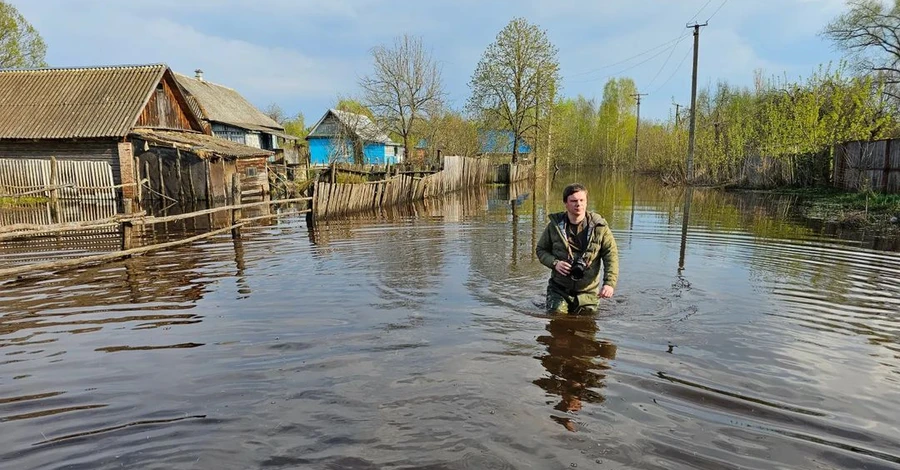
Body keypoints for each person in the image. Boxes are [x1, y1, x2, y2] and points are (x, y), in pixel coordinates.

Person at [536, 183, 619, 315]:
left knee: (587, 325)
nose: (578, 204)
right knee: (556, 318)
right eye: (573, 201)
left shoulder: (600, 227)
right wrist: (555, 263)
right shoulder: (554, 226)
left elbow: (611, 256)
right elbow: (541, 250)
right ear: (566, 203)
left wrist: (609, 284)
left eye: (582, 200)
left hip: (588, 291)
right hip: (559, 289)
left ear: (586, 202)